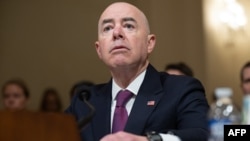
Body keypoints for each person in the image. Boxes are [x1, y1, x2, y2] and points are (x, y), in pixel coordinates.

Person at [65, 2, 209, 141]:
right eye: (107, 28)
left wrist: (149, 140)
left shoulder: (181, 90)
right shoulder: (85, 103)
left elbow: (203, 135)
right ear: (99, 50)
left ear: (149, 43)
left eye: (128, 26)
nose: (116, 33)